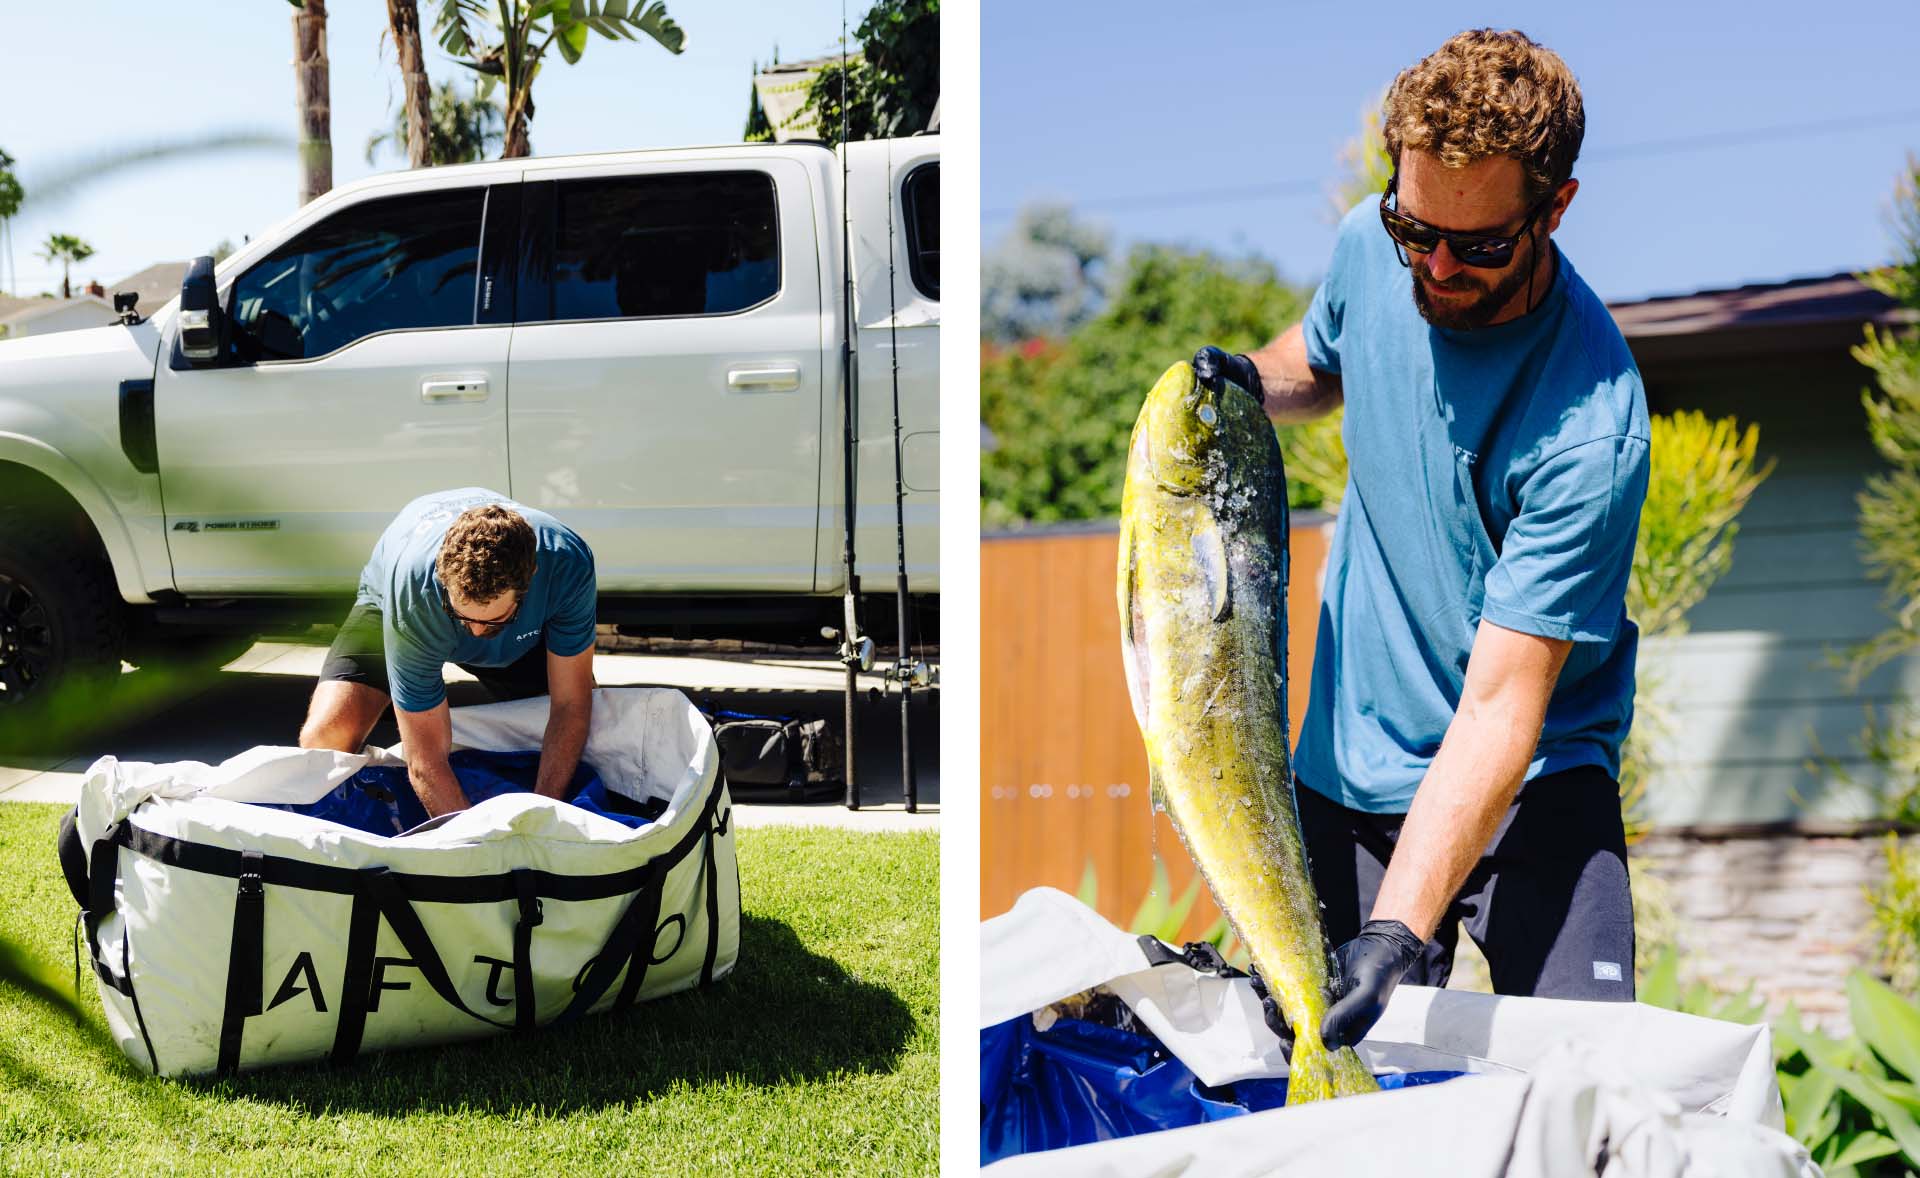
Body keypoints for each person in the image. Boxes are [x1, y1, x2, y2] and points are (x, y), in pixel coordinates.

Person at [1196, 29, 1649, 1052]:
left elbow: (1499, 710)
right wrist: (1243, 385)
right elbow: (1321, 358)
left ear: (1556, 206)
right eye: (1417, 228)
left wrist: (1398, 929)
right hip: (1351, 764)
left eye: (1479, 245)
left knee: (1593, 1085)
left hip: (1532, 779)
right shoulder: (1371, 244)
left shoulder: (1592, 421)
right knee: (1302, 1074)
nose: (1436, 265)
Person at [299, 488, 598, 818]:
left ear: (530, 582)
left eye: (494, 618)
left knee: (589, 737)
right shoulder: (415, 588)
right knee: (324, 739)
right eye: (464, 616)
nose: (476, 632)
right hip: (415, 611)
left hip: (517, 639)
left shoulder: (568, 564)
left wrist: (547, 814)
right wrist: (474, 849)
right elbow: (424, 758)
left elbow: (571, 704)